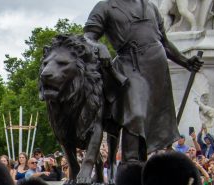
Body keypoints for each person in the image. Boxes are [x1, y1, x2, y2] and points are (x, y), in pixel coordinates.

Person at [83, 0, 203, 160]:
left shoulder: (151, 7)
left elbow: (164, 43)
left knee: (150, 124)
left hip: (157, 70)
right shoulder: (105, 6)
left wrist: (185, 61)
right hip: (129, 66)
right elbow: (88, 37)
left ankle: (139, 166)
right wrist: (99, 47)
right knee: (135, 116)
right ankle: (129, 164)